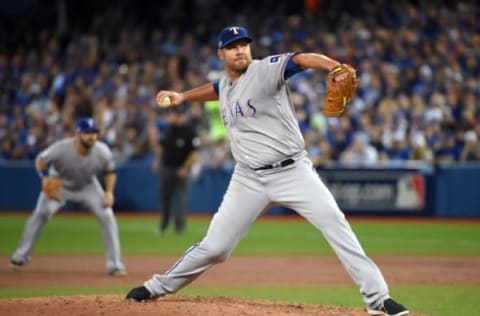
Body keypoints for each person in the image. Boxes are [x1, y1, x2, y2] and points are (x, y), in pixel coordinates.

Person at [126, 26, 409, 316]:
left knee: (334, 222)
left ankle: (378, 299)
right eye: (233, 46)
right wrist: (183, 97)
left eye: (244, 44)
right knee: (216, 248)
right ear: (221, 53)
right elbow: (215, 90)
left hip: (293, 171)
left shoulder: (266, 69)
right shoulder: (224, 85)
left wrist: (333, 66)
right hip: (248, 178)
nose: (240, 50)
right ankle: (156, 287)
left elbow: (301, 60)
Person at [10, 117, 127, 276]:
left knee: (107, 216)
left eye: (94, 133)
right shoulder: (61, 148)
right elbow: (40, 160)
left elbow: (110, 172)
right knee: (40, 214)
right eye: (87, 133)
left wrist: (109, 192)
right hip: (60, 184)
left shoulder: (102, 150)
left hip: (88, 186)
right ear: (77, 134)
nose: (91, 136)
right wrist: (44, 178)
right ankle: (20, 256)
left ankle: (115, 264)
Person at [153, 106, 199, 235]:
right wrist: (157, 161)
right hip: (167, 168)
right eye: (175, 114)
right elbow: (161, 146)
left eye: (179, 114)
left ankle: (179, 228)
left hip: (181, 169)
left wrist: (185, 167)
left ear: (183, 115)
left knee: (181, 199)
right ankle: (164, 225)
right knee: (164, 198)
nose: (176, 117)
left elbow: (194, 153)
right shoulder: (168, 129)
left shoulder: (189, 130)